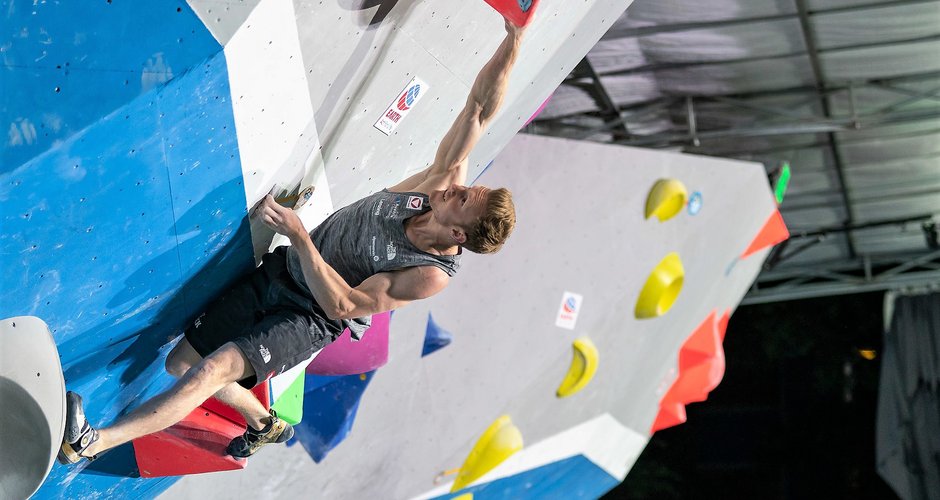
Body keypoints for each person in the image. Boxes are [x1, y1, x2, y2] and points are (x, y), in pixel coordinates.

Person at [58, 17, 527, 464]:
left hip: (310, 317)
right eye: (467, 187)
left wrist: (301, 236)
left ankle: (91, 442)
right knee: (181, 364)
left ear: (459, 234)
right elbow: (480, 109)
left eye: (464, 198)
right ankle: (263, 423)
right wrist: (514, 39)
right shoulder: (436, 187)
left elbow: (345, 304)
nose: (458, 186)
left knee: (211, 372)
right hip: (284, 272)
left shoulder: (428, 275)